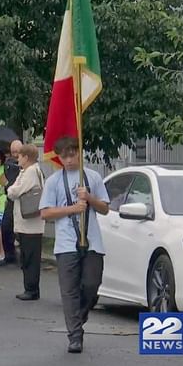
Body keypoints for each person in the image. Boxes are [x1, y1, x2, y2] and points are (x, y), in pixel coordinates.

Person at [38, 136, 110, 354]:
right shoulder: (54, 181)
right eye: (64, 156)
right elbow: (45, 212)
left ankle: (79, 316)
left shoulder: (93, 177)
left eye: (72, 155)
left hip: (92, 242)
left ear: (79, 153)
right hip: (66, 244)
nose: (68, 160)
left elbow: (105, 208)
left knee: (91, 284)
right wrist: (71, 209)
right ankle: (75, 336)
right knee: (69, 291)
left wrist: (88, 198)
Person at [6, 144, 45, 301]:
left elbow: (15, 191)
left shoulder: (31, 172)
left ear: (26, 157)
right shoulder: (26, 171)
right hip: (26, 223)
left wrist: (10, 190)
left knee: (30, 257)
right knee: (26, 255)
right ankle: (29, 287)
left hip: (31, 225)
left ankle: (32, 288)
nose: (18, 159)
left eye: (20, 156)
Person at [0, 140, 23, 266]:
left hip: (22, 201)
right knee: (6, 227)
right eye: (13, 152)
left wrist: (7, 184)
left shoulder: (25, 165)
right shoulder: (8, 164)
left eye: (17, 152)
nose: (15, 155)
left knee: (22, 231)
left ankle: (23, 258)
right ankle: (9, 255)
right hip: (10, 199)